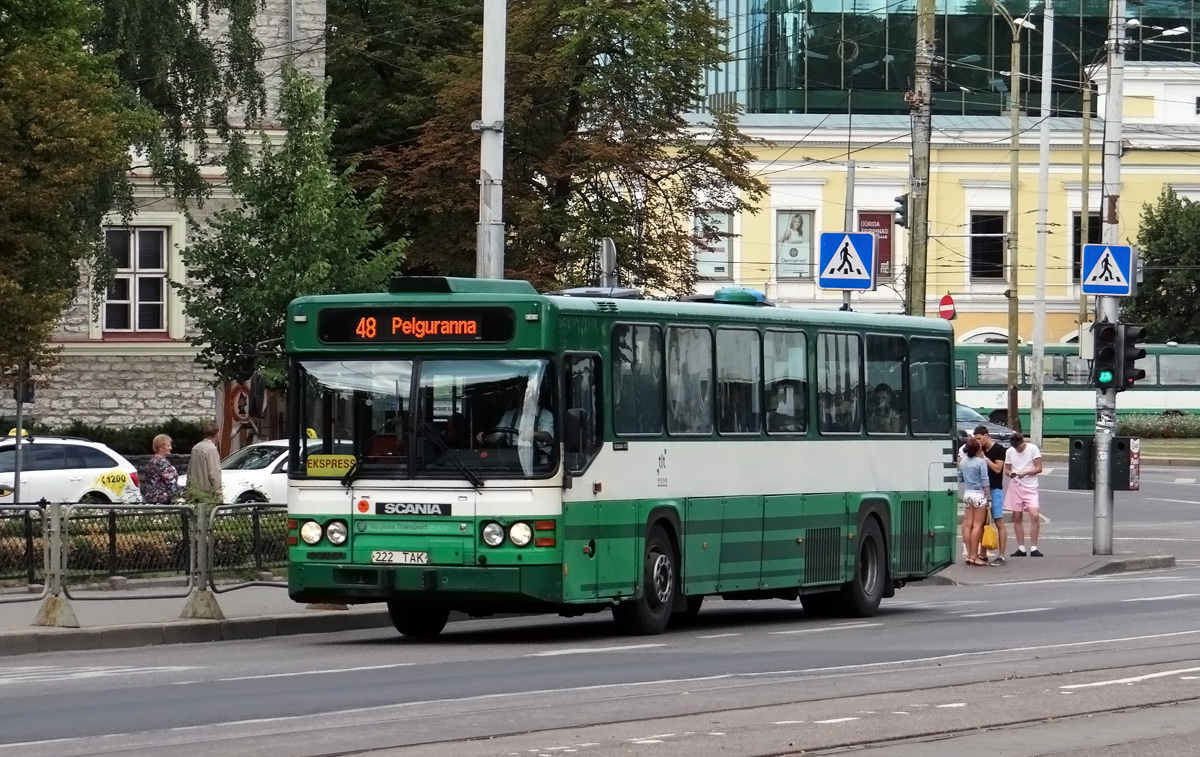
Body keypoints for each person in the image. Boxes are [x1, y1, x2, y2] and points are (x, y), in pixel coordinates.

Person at [1004, 432, 1044, 556]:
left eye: (1019, 447)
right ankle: (1021, 547)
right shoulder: (1010, 451)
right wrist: (1010, 473)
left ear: (1023, 442)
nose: (1017, 449)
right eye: (1015, 447)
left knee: (1035, 515)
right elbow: (1006, 469)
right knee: (1017, 515)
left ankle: (1033, 547)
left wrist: (1025, 473)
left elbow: (1039, 468)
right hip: (1016, 485)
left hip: (1030, 485)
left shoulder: (1032, 449)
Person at [974, 425, 1009, 564]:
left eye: (980, 438)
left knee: (998, 521)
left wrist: (985, 458)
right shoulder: (979, 449)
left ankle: (1001, 555)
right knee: (982, 522)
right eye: (976, 439)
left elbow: (998, 468)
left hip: (995, 489)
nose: (978, 442)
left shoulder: (999, 450)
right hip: (981, 490)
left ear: (986, 435)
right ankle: (982, 553)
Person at [960, 438, 990, 566]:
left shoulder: (963, 462)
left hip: (967, 493)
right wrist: (989, 498)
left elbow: (960, 477)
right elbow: (985, 481)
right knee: (978, 525)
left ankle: (968, 554)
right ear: (978, 449)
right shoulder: (981, 462)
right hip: (978, 494)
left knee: (968, 524)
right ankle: (974, 556)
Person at [188, 421, 223, 500]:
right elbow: (214, 473)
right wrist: (218, 494)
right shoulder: (211, 449)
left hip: (194, 491)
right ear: (216, 434)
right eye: (219, 433)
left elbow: (189, 470)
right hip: (207, 493)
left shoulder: (196, 447)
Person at [144, 434, 182, 504]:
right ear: (160, 448)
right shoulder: (161, 462)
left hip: (152, 498)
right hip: (161, 499)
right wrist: (181, 496)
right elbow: (170, 481)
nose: (171, 448)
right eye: (168, 446)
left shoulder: (152, 460)